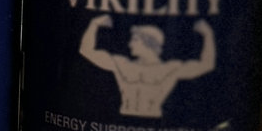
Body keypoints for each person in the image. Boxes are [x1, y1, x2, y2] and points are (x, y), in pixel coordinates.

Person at [78, 15, 215, 118]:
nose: (130, 44)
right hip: (121, 122)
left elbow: (206, 64)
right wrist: (94, 24)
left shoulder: (169, 69)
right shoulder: (122, 64)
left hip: (158, 125)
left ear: (148, 42)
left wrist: (208, 35)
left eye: (135, 40)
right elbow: (86, 51)